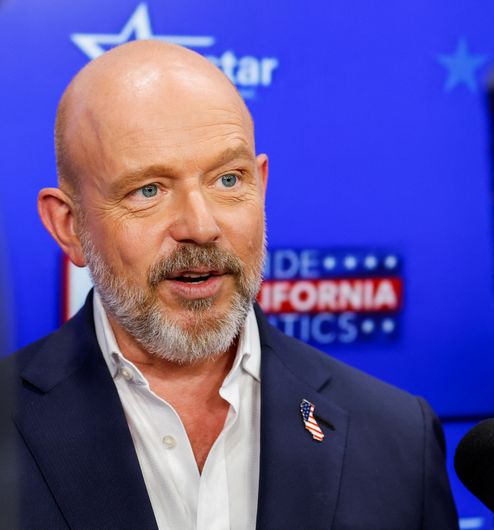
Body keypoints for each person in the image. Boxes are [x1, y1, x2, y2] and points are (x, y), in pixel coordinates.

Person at [1, 40, 458, 529]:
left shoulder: (397, 436)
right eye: (148, 190)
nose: (200, 225)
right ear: (69, 225)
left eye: (227, 180)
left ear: (260, 185)